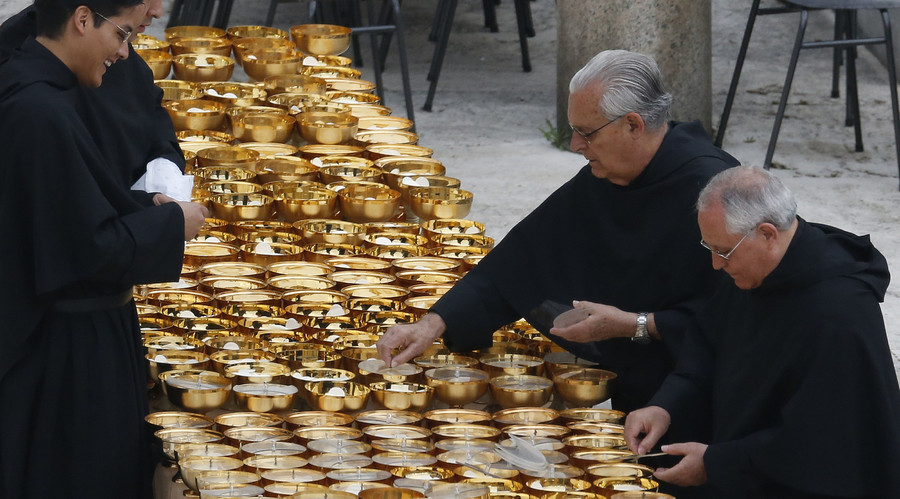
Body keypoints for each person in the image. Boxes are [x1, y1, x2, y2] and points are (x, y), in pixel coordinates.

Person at [376, 49, 740, 412]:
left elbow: (735, 315)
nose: (574, 145)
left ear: (633, 125)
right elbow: (523, 258)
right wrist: (433, 323)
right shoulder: (609, 172)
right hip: (636, 391)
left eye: (585, 133)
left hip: (701, 399)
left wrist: (635, 324)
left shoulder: (713, 188)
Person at [0, 0, 208, 496]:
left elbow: (68, 207)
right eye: (121, 36)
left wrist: (140, 204)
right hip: (65, 350)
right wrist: (171, 224)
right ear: (82, 18)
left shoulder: (39, 90)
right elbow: (87, 248)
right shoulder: (41, 110)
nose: (124, 53)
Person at [624, 166, 900, 497]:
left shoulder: (837, 313)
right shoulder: (751, 273)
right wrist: (666, 405)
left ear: (767, 234)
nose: (715, 264)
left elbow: (823, 441)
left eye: (723, 251)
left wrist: (717, 463)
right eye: (709, 248)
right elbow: (706, 349)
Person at [0, 0, 190, 199]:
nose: (158, 12)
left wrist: (164, 170)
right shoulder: (30, 90)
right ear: (82, 20)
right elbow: (72, 215)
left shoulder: (116, 51)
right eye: (120, 34)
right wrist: (164, 219)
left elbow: (152, 119)